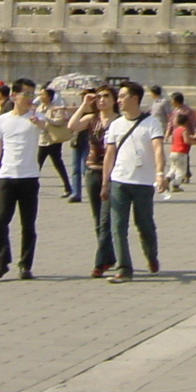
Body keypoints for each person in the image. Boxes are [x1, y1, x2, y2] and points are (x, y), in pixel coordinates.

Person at [101, 81, 167, 283]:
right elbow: (109, 154)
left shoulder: (151, 123)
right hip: (119, 181)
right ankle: (124, 268)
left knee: (144, 224)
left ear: (135, 99)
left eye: (122, 96)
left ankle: (151, 255)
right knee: (118, 225)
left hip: (143, 182)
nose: (119, 100)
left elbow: (157, 149)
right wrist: (105, 182)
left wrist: (160, 173)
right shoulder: (116, 125)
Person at [0, 78, 43, 280]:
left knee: (28, 224)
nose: (29, 98)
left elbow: (52, 129)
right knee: (0, 220)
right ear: (14, 96)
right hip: (7, 176)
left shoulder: (36, 117)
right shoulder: (2, 120)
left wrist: (41, 122)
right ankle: (1, 262)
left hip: (29, 177)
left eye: (31, 94)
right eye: (25, 94)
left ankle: (25, 265)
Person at [68, 87, 120, 277]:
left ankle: (99, 263)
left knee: (106, 219)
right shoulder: (92, 120)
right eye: (98, 97)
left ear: (114, 100)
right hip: (92, 171)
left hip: (114, 174)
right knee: (98, 219)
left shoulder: (120, 121)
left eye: (106, 96)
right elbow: (72, 126)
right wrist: (84, 104)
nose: (101, 100)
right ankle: (110, 256)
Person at [34, 87, 75, 196]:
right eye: (40, 94)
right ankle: (32, 186)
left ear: (49, 97)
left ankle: (67, 187)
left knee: (58, 164)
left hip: (54, 140)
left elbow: (60, 122)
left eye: (43, 95)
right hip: (43, 139)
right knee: (37, 164)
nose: (41, 97)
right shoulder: (39, 108)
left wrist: (47, 119)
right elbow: (39, 124)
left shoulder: (56, 108)